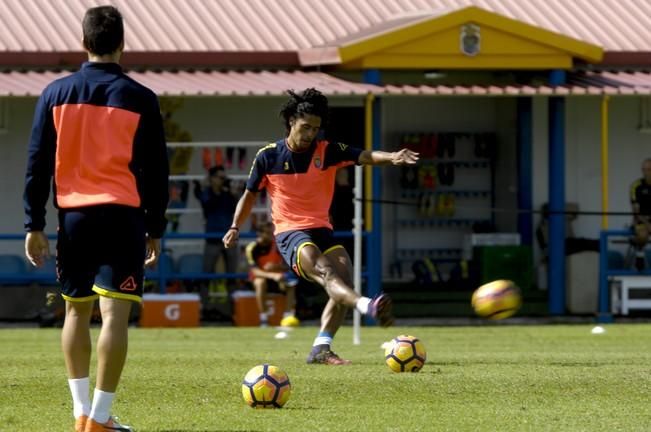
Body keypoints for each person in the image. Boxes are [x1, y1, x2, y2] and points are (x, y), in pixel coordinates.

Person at [23, 6, 169, 432]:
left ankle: (80, 414)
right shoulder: (141, 97)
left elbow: (37, 164)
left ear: (83, 42)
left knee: (75, 313)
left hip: (74, 218)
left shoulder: (55, 93)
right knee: (115, 315)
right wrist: (155, 227)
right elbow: (157, 171)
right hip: (122, 217)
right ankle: (101, 418)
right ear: (123, 43)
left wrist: (34, 223)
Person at [223, 88, 418, 365]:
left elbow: (363, 155)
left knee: (343, 282)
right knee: (327, 273)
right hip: (290, 233)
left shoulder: (327, 151)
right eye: (305, 127)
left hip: (322, 230)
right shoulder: (268, 156)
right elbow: (249, 195)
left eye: (315, 128)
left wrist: (393, 157)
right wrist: (234, 226)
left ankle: (321, 349)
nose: (310, 134)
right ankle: (367, 305)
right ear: (291, 121)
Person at [193, 165, 238, 314]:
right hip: (212, 238)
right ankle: (203, 309)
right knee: (206, 274)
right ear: (211, 178)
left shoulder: (228, 194)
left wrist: (232, 192)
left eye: (223, 178)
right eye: (220, 177)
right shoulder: (207, 193)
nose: (222, 180)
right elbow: (207, 204)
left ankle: (234, 309)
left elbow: (236, 208)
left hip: (229, 238)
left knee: (232, 276)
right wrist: (214, 189)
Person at [245, 222, 300, 327]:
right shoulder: (252, 248)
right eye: (268, 233)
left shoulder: (278, 245)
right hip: (261, 278)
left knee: (291, 284)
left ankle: (287, 317)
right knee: (260, 283)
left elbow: (288, 266)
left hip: (278, 278)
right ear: (260, 234)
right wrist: (272, 275)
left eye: (272, 233)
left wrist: (276, 268)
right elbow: (254, 271)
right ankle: (264, 319)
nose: (272, 235)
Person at [630, 158, 651, 270]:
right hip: (641, 220)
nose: (645, 172)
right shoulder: (636, 186)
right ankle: (640, 254)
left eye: (648, 169)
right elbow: (636, 212)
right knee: (643, 234)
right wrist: (647, 224)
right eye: (643, 170)